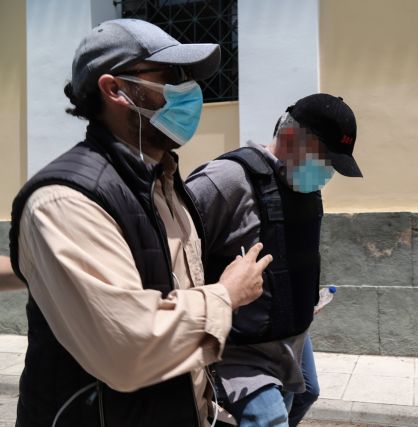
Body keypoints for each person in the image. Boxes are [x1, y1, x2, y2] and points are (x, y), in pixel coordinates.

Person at [10, 19, 271, 427]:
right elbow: (128, 350)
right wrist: (226, 296)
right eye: (171, 76)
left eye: (187, 77)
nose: (189, 90)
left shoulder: (164, 182)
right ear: (115, 89)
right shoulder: (65, 200)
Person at [186, 93, 362, 426]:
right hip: (243, 348)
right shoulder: (226, 180)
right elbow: (174, 247)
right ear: (291, 137)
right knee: (269, 418)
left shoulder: (302, 185)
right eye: (325, 159)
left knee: (307, 393)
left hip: (291, 338)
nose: (328, 172)